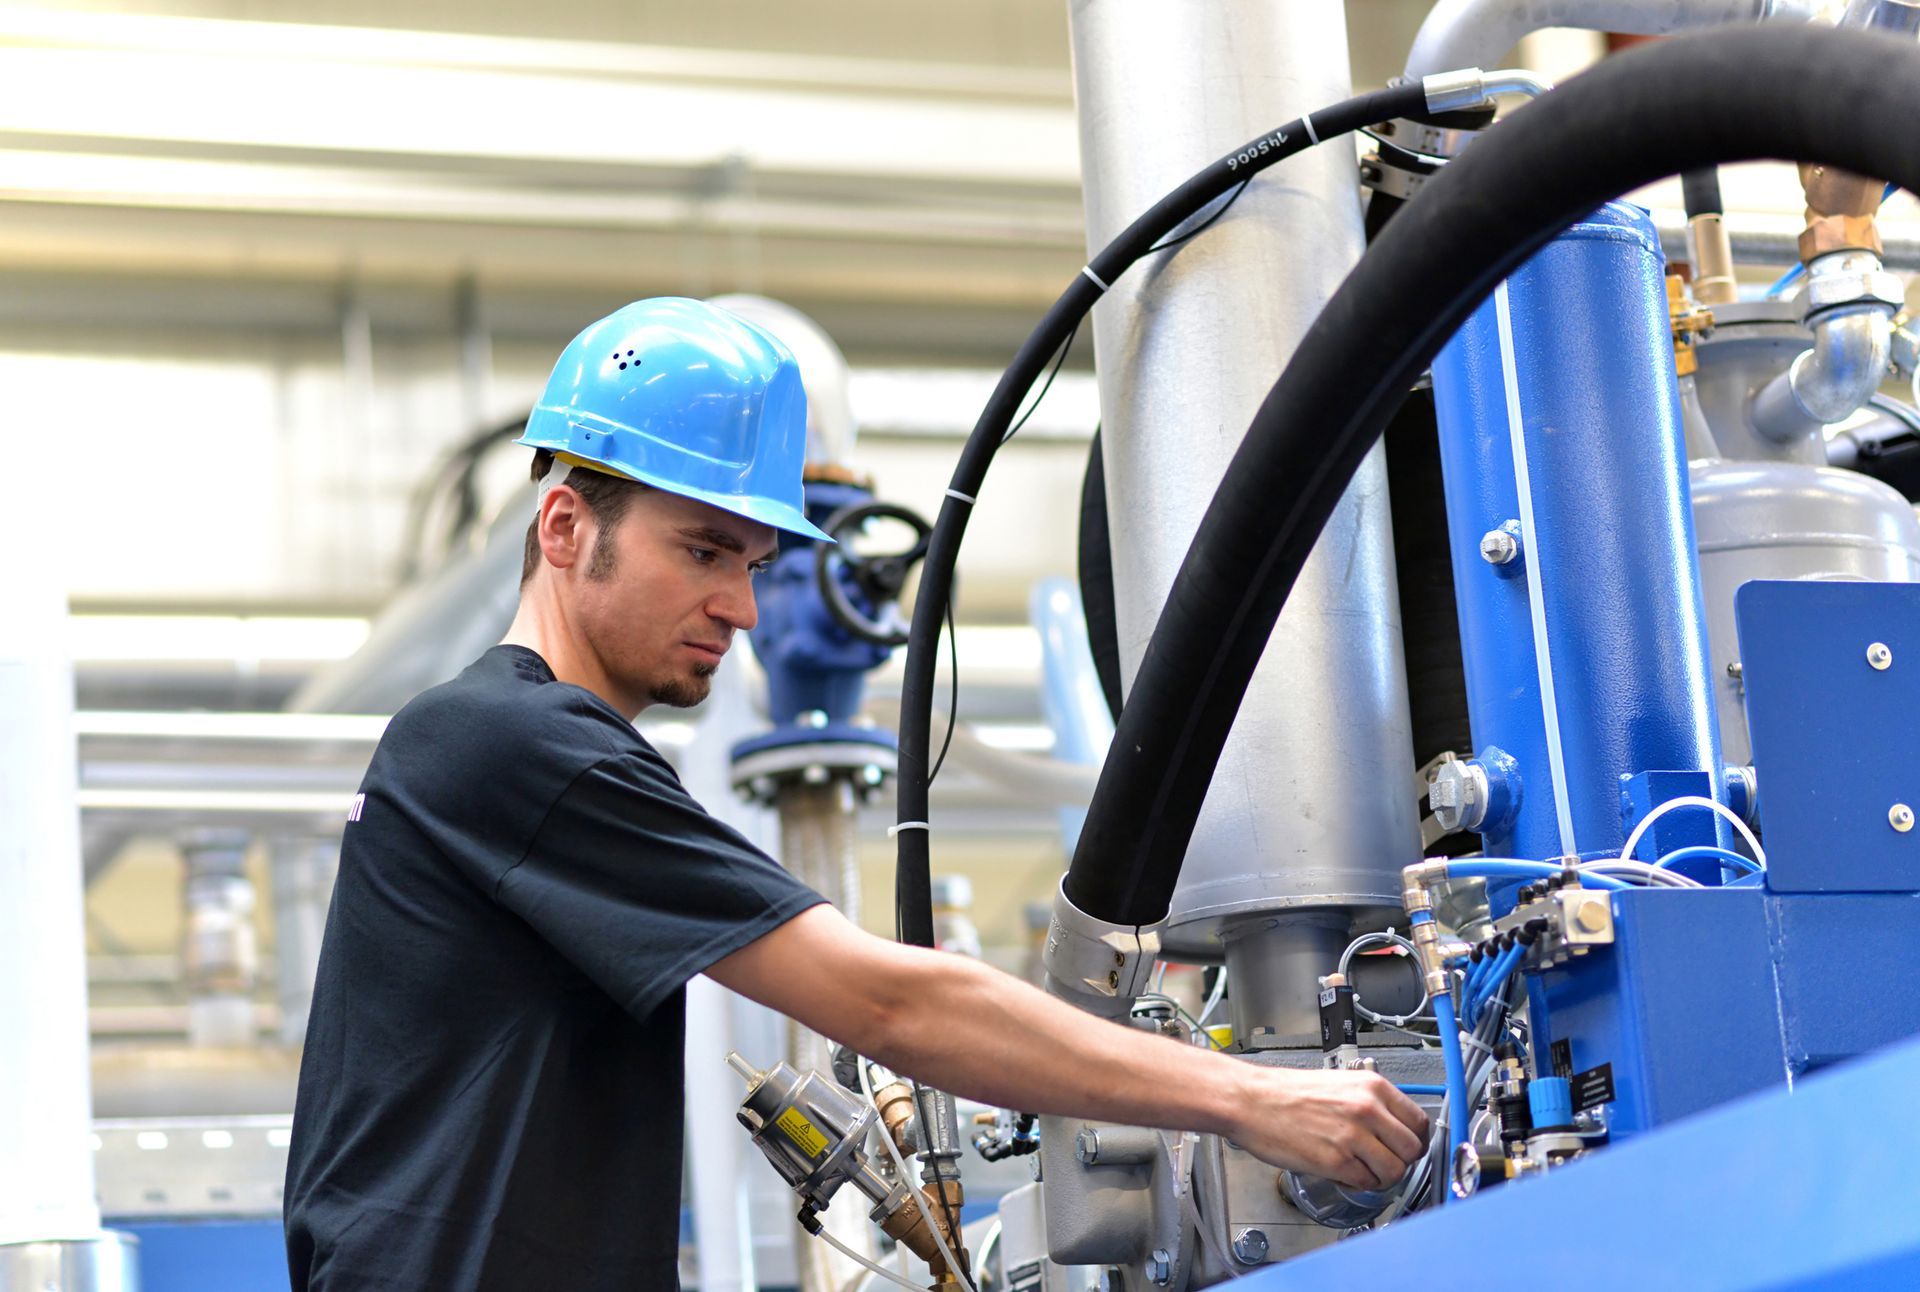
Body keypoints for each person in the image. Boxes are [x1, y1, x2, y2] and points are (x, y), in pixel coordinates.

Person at [283, 297, 1427, 1291]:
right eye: (701, 550)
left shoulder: (516, 754)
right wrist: (1249, 1097)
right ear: (567, 526)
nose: (738, 602)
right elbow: (887, 1004)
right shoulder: (510, 743)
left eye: (752, 561)